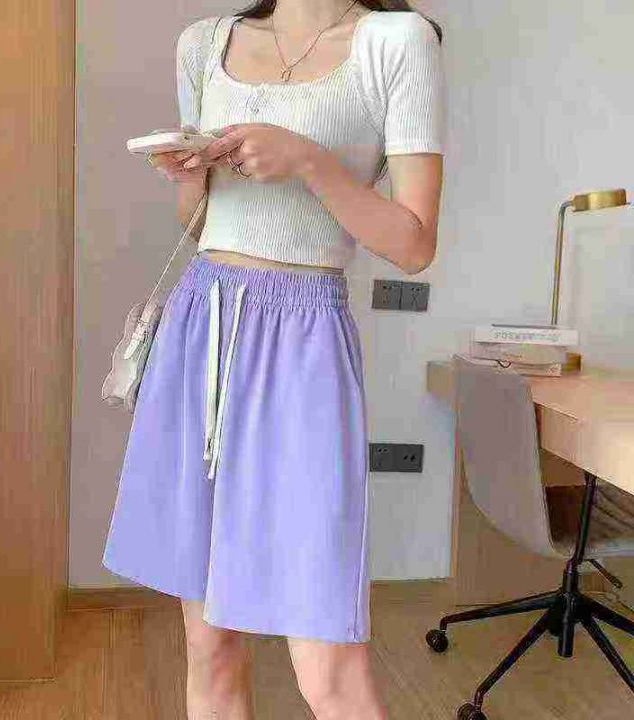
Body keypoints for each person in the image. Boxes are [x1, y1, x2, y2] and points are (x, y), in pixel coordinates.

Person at [103, 1, 445, 717]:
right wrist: (189, 176)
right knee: (208, 644)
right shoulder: (205, 44)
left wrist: (309, 161)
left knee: (328, 665)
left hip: (304, 344)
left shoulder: (396, 41)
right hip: (201, 329)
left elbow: (414, 244)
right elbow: (201, 223)